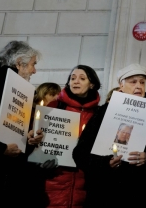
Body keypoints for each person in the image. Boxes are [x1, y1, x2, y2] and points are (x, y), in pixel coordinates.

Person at [73, 64, 146, 207]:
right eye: (133, 82)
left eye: (142, 82)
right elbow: (80, 153)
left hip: (142, 194)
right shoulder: (102, 113)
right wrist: (105, 163)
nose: (139, 86)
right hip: (104, 194)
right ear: (121, 85)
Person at [0, 41, 44, 207]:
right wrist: (0, 149)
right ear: (20, 63)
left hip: (6, 181)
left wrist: (28, 139)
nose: (34, 70)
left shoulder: (21, 91)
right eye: (33, 64)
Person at [41, 65, 101, 208]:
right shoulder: (54, 106)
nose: (75, 81)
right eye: (72, 78)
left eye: (82, 78)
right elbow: (40, 142)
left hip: (85, 184)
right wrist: (40, 157)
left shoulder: (99, 113)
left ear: (92, 84)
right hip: (54, 180)